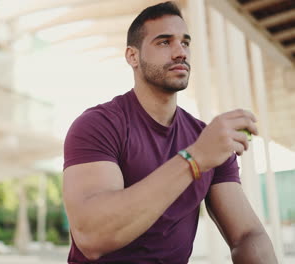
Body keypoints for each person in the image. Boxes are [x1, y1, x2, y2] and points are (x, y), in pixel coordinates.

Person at [62, 1, 278, 263]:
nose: (180, 53)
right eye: (164, 42)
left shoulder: (206, 138)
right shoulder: (99, 125)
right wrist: (195, 159)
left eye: (185, 43)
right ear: (132, 56)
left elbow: (247, 234)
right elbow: (93, 237)